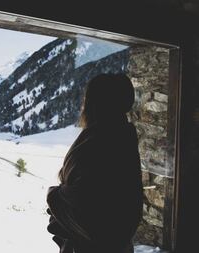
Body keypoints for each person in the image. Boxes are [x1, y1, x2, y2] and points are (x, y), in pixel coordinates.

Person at [46, 73, 143, 253]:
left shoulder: (100, 142)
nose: (83, 104)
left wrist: (54, 195)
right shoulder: (122, 136)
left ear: (96, 104)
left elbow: (87, 200)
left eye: (87, 99)